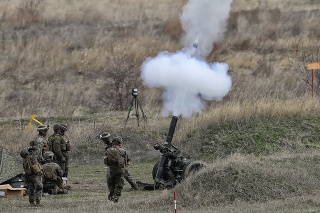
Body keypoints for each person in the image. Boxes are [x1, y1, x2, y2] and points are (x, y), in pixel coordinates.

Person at [104, 137, 126, 203]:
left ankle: (111, 196)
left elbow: (105, 161)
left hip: (111, 170)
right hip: (120, 170)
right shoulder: (122, 150)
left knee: (111, 184)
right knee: (119, 184)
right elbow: (126, 159)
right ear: (119, 143)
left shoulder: (108, 150)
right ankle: (116, 198)